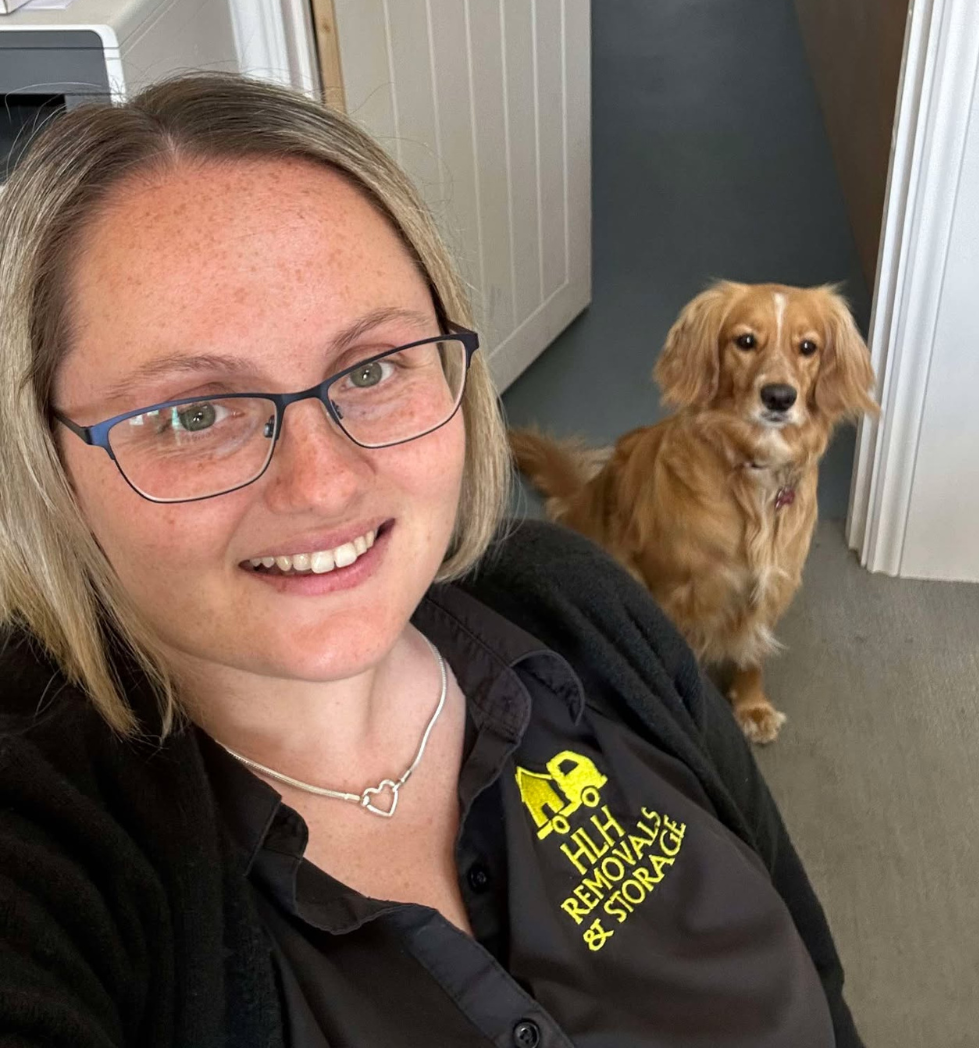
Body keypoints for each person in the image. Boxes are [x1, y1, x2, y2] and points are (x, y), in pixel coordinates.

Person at [0, 72, 861, 1048]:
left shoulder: (573, 599)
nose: (323, 486)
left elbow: (813, 974)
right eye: (194, 414)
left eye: (371, 369)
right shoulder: (43, 844)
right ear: (44, 456)